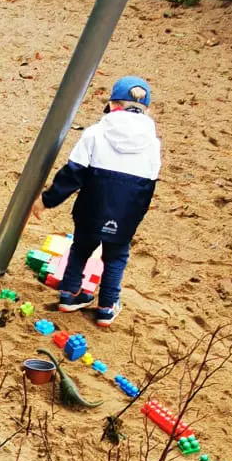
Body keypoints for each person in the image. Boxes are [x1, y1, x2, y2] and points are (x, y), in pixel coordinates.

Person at [37, 74, 161, 328]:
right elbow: (149, 185)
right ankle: (106, 307)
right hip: (126, 213)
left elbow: (73, 173)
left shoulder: (95, 133)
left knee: (81, 248)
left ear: (113, 105)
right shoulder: (152, 142)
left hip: (90, 209)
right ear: (145, 110)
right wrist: (134, 219)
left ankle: (70, 295)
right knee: (115, 257)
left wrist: (47, 200)